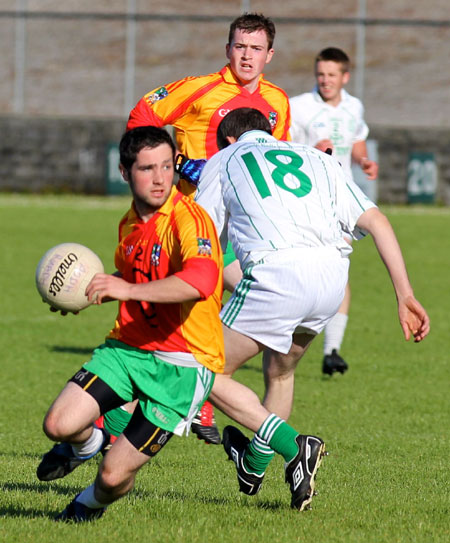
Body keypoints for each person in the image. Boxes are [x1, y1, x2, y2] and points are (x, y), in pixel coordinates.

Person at [36, 125, 328, 521]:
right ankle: (88, 444)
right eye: (146, 169)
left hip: (182, 366)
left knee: (112, 476)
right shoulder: (128, 226)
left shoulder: (190, 220)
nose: (159, 179)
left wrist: (125, 289)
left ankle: (85, 508)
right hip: (128, 349)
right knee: (58, 424)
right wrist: (81, 297)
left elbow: (201, 281)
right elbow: (138, 292)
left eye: (166, 166)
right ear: (125, 172)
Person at [194, 108, 429, 496]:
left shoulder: (225, 159)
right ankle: (253, 466)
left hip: (277, 278)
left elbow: (200, 239)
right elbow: (378, 222)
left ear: (229, 141)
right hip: (331, 284)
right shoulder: (318, 159)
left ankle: (294, 447)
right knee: (281, 373)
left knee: (198, 368)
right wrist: (405, 294)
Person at [124, 11, 291, 445]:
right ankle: (126, 422)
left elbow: (274, 158)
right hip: (187, 225)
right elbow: (142, 112)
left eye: (256, 48)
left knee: (249, 302)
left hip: (241, 229)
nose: (246, 56)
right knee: (157, 329)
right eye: (239, 46)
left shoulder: (278, 101)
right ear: (227, 49)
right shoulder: (200, 89)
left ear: (269, 55)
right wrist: (173, 163)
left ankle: (202, 403)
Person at [289, 47, 379, 376]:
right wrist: (306, 153)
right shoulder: (299, 107)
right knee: (303, 270)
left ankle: (332, 351)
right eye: (320, 74)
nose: (324, 80)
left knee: (339, 271)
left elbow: (355, 141)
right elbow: (282, 146)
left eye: (331, 75)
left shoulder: (354, 106)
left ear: (345, 77)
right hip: (307, 199)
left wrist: (363, 160)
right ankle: (283, 339)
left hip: (340, 200)